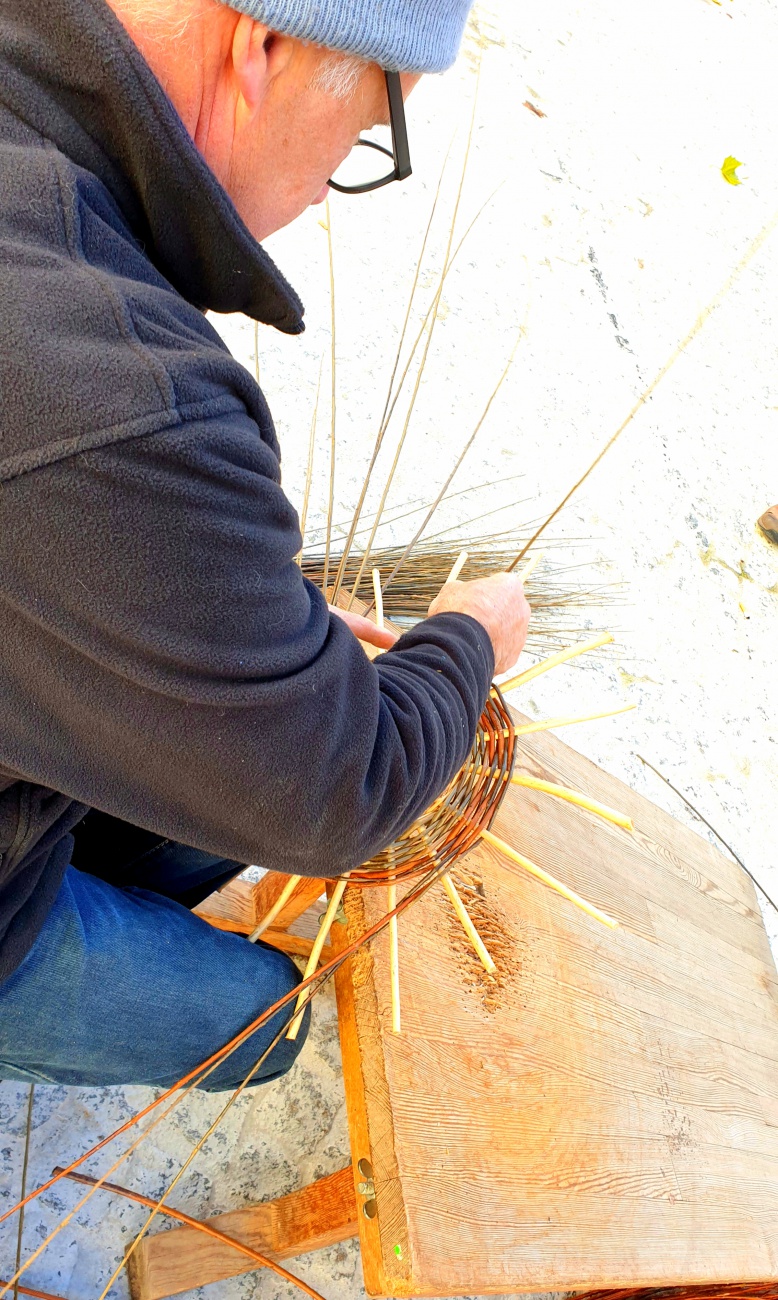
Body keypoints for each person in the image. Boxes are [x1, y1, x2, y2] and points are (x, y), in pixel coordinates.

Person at [0, 0, 530, 1091]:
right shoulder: (117, 393)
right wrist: (466, 641)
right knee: (262, 1023)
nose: (329, 194)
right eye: (361, 143)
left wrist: (231, 620)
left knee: (199, 816)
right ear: (264, 47)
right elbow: (338, 790)